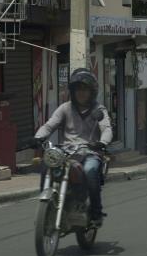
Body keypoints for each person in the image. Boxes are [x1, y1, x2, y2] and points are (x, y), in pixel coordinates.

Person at [35, 68, 112, 225]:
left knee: (90, 171)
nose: (81, 93)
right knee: (46, 164)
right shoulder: (65, 108)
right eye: (78, 89)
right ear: (72, 91)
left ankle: (96, 212)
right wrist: (38, 137)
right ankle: (48, 203)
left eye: (85, 89)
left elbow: (107, 129)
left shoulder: (99, 109)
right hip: (67, 152)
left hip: (90, 151)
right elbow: (49, 126)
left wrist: (102, 143)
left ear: (92, 91)